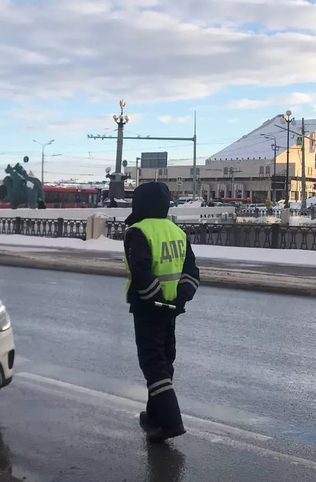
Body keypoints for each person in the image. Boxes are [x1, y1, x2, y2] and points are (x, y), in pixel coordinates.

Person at [124, 182, 200, 443]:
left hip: (148, 311)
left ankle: (171, 422)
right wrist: (180, 300)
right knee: (165, 360)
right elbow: (192, 273)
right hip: (171, 311)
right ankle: (153, 415)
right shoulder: (178, 232)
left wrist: (155, 300)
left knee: (153, 364)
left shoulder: (138, 231)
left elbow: (141, 271)